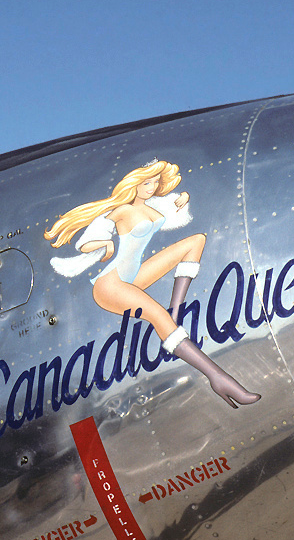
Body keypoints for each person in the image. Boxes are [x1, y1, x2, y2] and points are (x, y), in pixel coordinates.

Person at [45, 159, 259, 408]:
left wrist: (183, 198)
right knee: (157, 315)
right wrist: (107, 243)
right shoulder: (122, 211)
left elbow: (173, 207)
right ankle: (218, 377)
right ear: (134, 185)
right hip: (110, 284)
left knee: (196, 241)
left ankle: (175, 314)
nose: (151, 187)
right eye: (146, 182)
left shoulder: (154, 206)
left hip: (133, 276)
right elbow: (85, 243)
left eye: (155, 182)